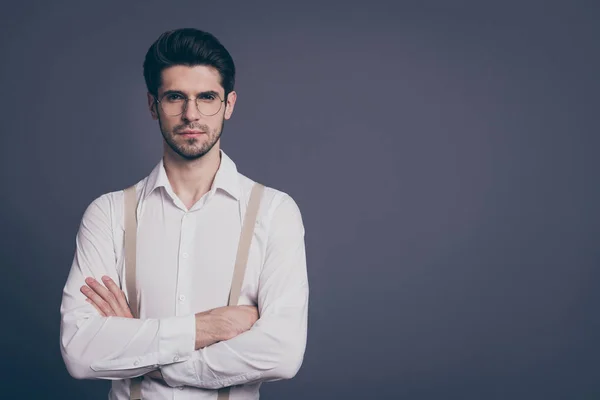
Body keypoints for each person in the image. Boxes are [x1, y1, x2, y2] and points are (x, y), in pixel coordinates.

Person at [59, 28, 309, 399]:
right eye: (175, 97)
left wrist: (147, 352)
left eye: (207, 97)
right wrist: (207, 327)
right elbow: (81, 353)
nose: (191, 114)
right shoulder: (108, 214)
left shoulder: (274, 212)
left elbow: (283, 353)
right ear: (152, 104)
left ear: (229, 104)